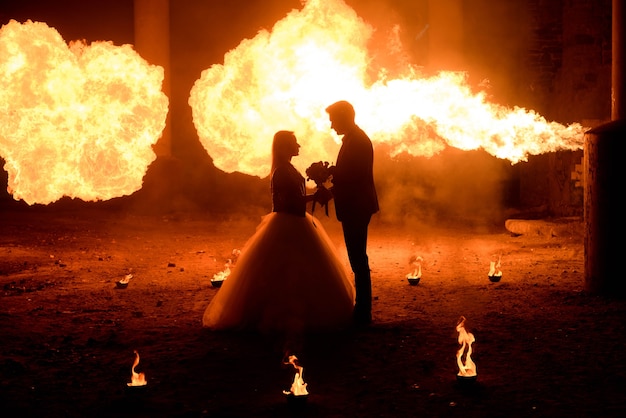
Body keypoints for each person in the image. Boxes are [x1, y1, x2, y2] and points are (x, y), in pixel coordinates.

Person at [202, 131, 355, 336]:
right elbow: (284, 204)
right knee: (285, 271)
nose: (299, 145)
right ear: (284, 147)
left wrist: (315, 194)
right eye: (294, 142)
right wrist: (314, 197)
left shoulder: (288, 168)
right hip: (287, 223)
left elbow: (295, 197)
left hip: (297, 221)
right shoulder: (282, 171)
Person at [323, 100, 379, 325]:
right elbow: (350, 173)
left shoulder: (357, 141)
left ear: (345, 117)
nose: (331, 126)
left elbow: (353, 177)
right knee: (357, 257)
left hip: (356, 205)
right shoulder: (355, 139)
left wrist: (330, 179)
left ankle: (363, 313)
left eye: (333, 120)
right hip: (356, 204)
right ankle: (362, 310)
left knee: (358, 258)